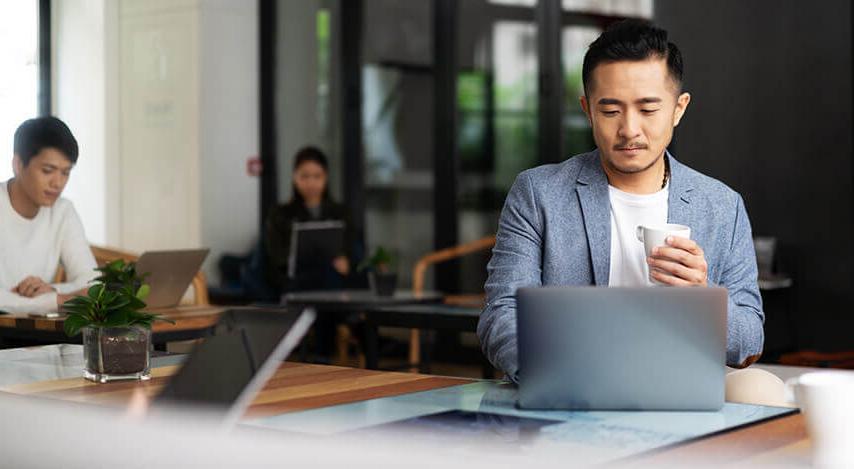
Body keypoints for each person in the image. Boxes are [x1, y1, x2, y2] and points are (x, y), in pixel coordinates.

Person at [478, 20, 764, 383]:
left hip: (678, 389)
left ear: (678, 109)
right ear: (587, 110)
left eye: (647, 110)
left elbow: (750, 340)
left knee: (759, 389)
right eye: (611, 111)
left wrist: (702, 297)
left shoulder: (722, 205)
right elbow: (501, 315)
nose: (629, 129)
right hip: (570, 387)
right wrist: (563, 375)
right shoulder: (539, 193)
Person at [0, 117, 97, 314]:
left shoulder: (63, 210)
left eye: (65, 172)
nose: (58, 183)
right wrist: (58, 300)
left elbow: (92, 283)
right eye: (47, 171)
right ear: (18, 165)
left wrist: (52, 290)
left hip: (36, 331)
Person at [265, 146, 354, 293]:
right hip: (295, 279)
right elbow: (276, 257)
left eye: (317, 176)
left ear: (325, 177)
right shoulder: (280, 214)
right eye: (304, 176)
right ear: (295, 178)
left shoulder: (341, 213)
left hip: (332, 277)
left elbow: (348, 249)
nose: (311, 183)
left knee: (332, 275)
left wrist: (344, 261)